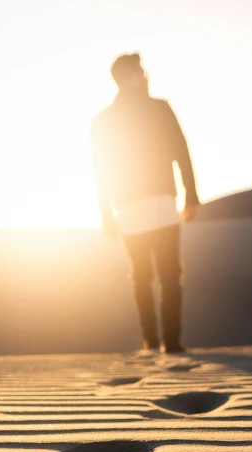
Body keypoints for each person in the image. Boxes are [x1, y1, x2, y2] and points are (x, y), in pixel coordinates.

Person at [89, 53, 200, 353]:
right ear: (130, 77)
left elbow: (102, 172)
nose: (146, 75)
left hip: (134, 207)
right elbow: (181, 150)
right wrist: (191, 195)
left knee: (143, 275)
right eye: (141, 71)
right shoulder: (157, 108)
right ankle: (170, 342)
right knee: (166, 273)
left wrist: (106, 215)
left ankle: (153, 340)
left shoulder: (104, 120)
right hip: (154, 203)